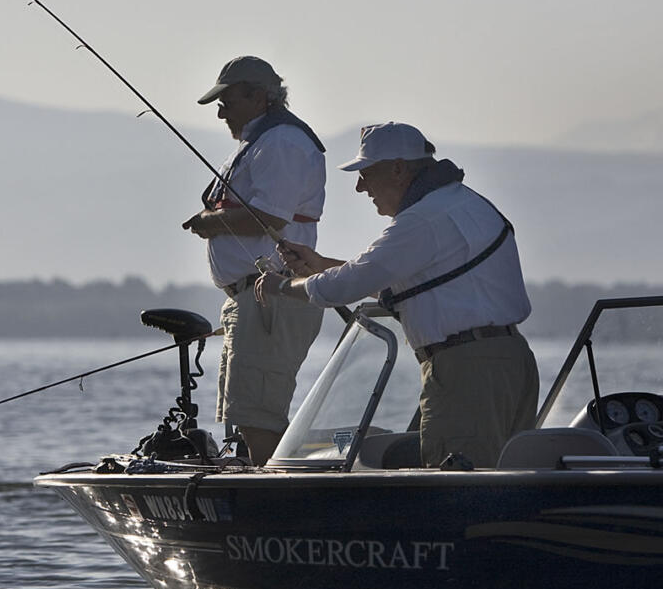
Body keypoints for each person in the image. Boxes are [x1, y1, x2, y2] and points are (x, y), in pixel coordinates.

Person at [255, 121, 538, 468]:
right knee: (498, 477)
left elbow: (348, 285)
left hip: (466, 370)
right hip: (511, 361)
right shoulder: (466, 204)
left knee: (453, 486)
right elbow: (404, 276)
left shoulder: (422, 220)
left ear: (399, 169)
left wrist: (281, 286)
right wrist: (319, 265)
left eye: (366, 173)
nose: (360, 187)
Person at [182, 56, 326, 465]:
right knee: (245, 414)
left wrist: (211, 224)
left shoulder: (282, 143)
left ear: (259, 97)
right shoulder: (259, 142)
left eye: (227, 100)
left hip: (271, 297)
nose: (220, 110)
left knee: (258, 416)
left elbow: (269, 216)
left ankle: (280, 501)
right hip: (252, 298)